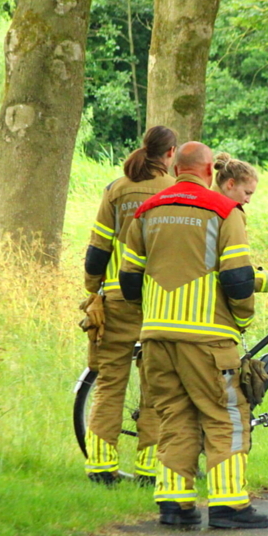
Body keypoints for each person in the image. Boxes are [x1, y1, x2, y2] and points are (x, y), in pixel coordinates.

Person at [119, 142, 268, 529]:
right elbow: (238, 279)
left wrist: (151, 315)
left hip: (156, 337)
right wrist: (241, 320)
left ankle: (175, 504)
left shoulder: (146, 211)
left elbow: (129, 278)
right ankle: (229, 505)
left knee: (174, 416)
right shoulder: (223, 211)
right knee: (226, 416)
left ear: (176, 168)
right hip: (207, 339)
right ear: (208, 172)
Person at [80, 126, 177, 486]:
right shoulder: (173, 193)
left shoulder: (116, 190)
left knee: (109, 383)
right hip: (161, 302)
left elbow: (97, 250)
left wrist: (94, 292)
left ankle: (101, 467)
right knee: (156, 384)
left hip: (118, 298)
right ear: (170, 155)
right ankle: (149, 470)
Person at [213, 151, 268, 291]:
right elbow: (238, 275)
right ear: (230, 184)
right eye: (247, 193)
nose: (248, 201)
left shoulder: (204, 207)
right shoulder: (229, 214)